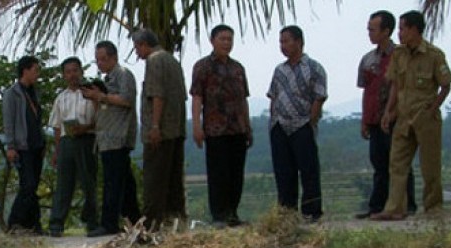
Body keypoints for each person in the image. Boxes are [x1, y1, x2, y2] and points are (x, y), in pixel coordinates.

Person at [371, 10, 451, 221]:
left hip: (425, 118)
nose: (399, 33)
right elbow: (395, 86)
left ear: (415, 29)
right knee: (397, 163)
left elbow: (446, 85)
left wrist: (433, 108)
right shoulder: (399, 54)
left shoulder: (434, 55)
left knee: (430, 166)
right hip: (403, 117)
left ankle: (433, 209)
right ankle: (395, 208)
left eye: (403, 29)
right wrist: (389, 111)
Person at [190, 24, 252, 228]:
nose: (227, 43)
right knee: (218, 174)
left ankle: (232, 213)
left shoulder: (238, 68)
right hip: (215, 129)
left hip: (237, 128)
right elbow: (197, 97)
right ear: (212, 40)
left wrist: (248, 127)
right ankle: (219, 215)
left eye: (229, 39)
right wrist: (197, 126)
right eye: (222, 39)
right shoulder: (203, 66)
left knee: (236, 174)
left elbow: (243, 99)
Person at [356, 10, 417, 219]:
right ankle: (377, 206)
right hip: (374, 118)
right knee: (379, 164)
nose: (369, 33)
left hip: (397, 117)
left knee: (400, 163)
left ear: (386, 31)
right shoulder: (367, 59)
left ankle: (407, 204)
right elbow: (366, 90)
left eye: (373, 29)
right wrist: (365, 120)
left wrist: (392, 112)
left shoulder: (400, 56)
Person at [267, 25, 328, 222]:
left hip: (302, 124)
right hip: (280, 125)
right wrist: (273, 121)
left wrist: (312, 121)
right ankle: (286, 213)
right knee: (284, 172)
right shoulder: (279, 70)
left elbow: (319, 97)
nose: (283, 46)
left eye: (286, 41)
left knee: (308, 170)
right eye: (280, 42)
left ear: (299, 42)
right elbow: (273, 96)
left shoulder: (314, 68)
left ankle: (311, 211)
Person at [81, 40, 141, 237]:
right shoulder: (106, 79)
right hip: (106, 136)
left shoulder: (123, 75)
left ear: (114, 57)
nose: (100, 64)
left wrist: (102, 97)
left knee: (113, 182)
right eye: (97, 60)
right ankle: (134, 219)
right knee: (125, 183)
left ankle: (109, 223)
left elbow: (126, 100)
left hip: (118, 136)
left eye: (104, 59)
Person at [132, 29, 188, 231]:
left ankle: (151, 224)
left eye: (137, 48)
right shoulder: (172, 61)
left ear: (143, 44)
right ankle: (176, 223)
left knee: (154, 181)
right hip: (176, 129)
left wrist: (155, 126)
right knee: (173, 181)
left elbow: (157, 94)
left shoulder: (154, 61)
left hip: (160, 131)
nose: (137, 53)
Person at [47, 57, 98, 237]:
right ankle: (56, 224)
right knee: (64, 184)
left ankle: (92, 222)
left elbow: (100, 119)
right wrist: (57, 150)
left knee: (88, 182)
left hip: (87, 139)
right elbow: (57, 126)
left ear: (81, 71)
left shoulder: (91, 93)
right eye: (68, 72)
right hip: (67, 141)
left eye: (75, 71)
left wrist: (85, 128)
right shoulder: (61, 98)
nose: (72, 75)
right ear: (64, 75)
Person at [2, 55, 46, 234]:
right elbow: (9, 121)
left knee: (32, 186)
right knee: (27, 185)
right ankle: (14, 222)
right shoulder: (12, 93)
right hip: (22, 146)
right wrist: (11, 146)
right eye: (35, 70)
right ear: (25, 70)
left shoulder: (34, 92)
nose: (37, 74)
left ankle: (33, 225)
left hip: (36, 145)